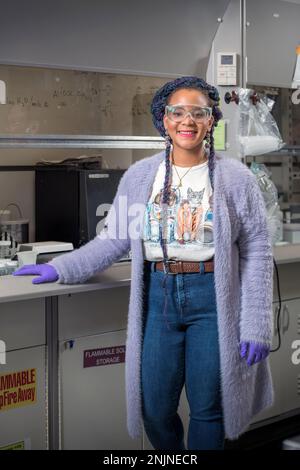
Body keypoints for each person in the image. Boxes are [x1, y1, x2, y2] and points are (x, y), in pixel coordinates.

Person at [13, 76, 274, 450]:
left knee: (208, 408)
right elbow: (114, 238)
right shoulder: (140, 177)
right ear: (163, 120)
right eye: (177, 112)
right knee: (153, 408)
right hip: (160, 297)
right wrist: (62, 267)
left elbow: (257, 250)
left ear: (212, 120)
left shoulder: (235, 178)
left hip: (213, 299)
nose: (188, 121)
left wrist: (257, 323)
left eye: (198, 112)